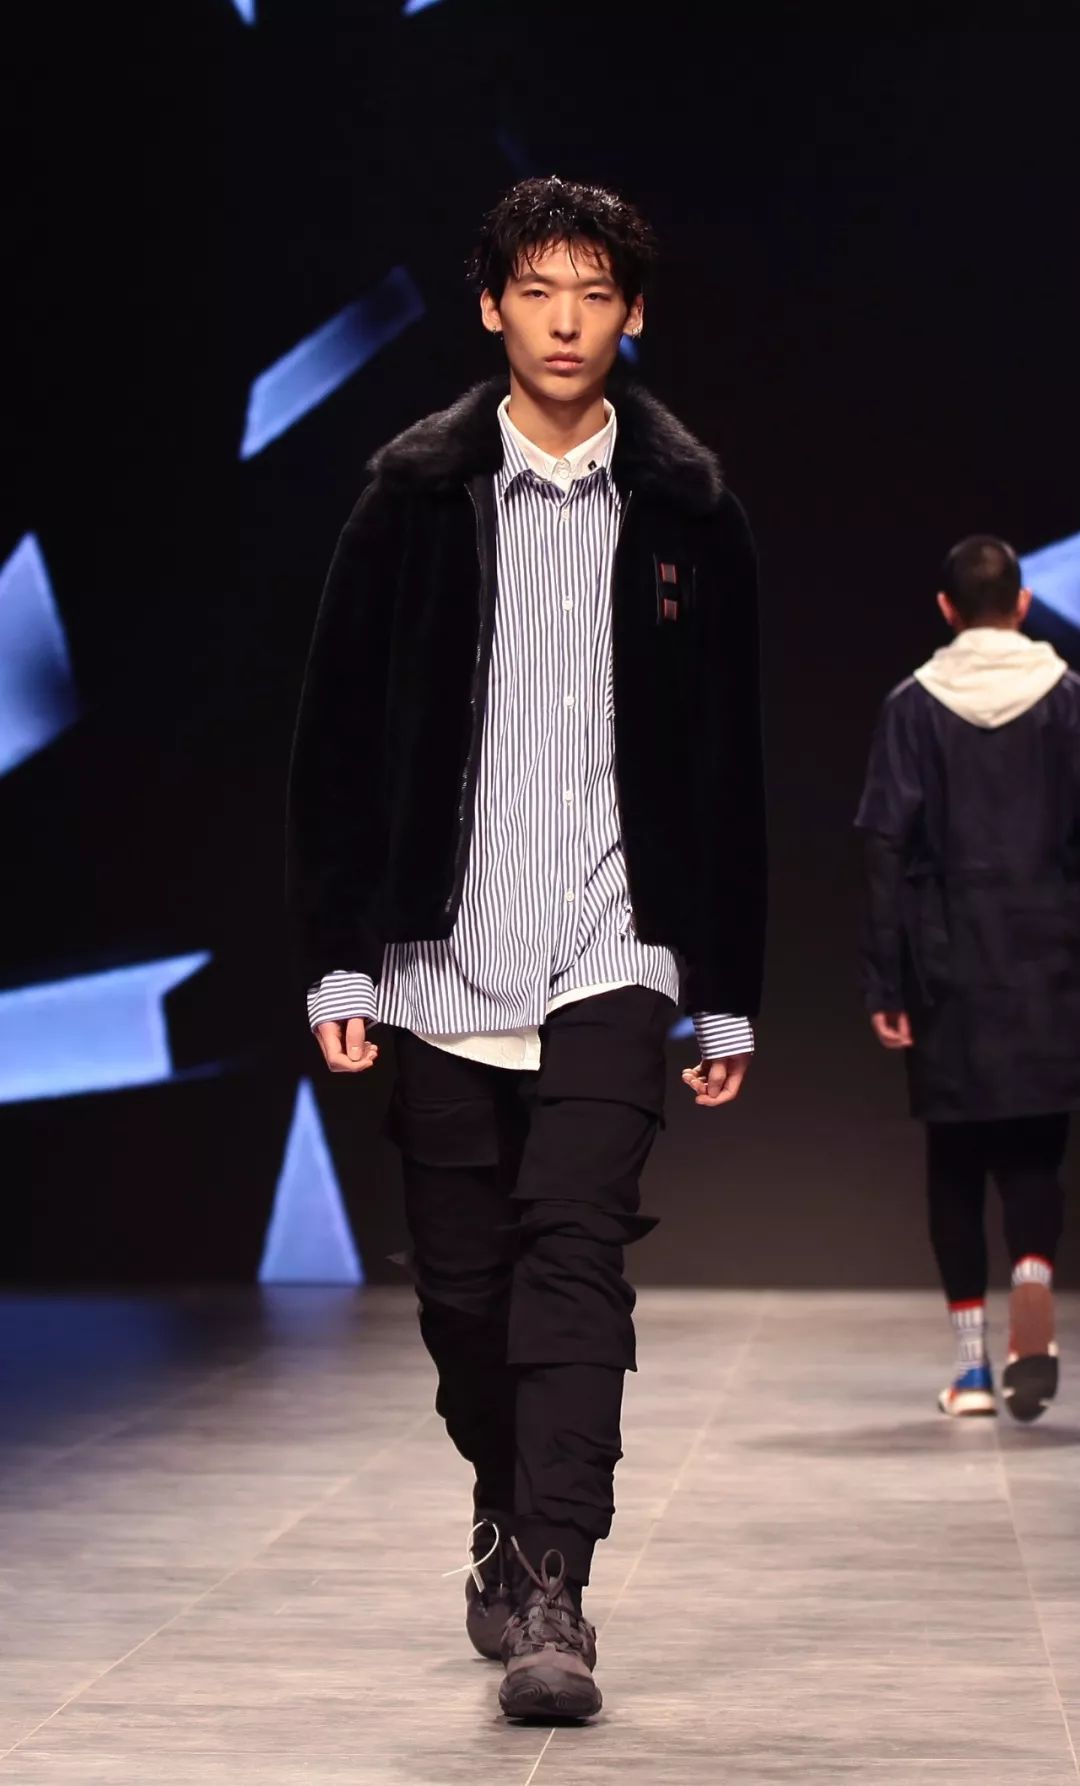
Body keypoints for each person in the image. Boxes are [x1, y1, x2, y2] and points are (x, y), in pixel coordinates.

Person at [286, 176, 766, 1720]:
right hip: (441, 955)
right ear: (492, 306)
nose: (568, 320)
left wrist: (728, 990)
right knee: (463, 1294)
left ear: (633, 314)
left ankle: (557, 1578)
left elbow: (728, 763)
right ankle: (503, 1504)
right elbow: (337, 741)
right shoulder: (411, 500)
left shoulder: (688, 512)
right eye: (539, 290)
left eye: (596, 292)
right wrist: (340, 956)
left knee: (575, 1249)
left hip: (617, 943)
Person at [857, 535, 1078, 1424]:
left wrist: (885, 980)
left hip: (946, 963)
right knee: (1035, 1151)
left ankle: (974, 1372)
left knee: (955, 1161)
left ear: (946, 610)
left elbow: (883, 847)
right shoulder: (1069, 700)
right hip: (1051, 960)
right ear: (1021, 604)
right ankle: (1034, 1289)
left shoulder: (913, 706)